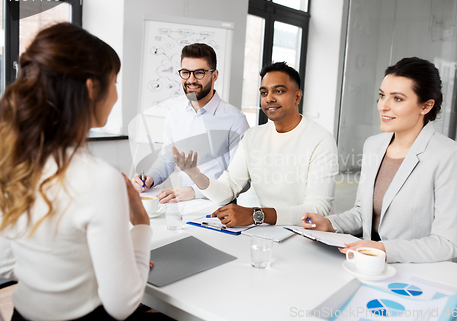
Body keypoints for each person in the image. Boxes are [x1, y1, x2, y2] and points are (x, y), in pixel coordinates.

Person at [0, 23, 155, 320]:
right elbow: (122, 305)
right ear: (90, 87)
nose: (116, 95)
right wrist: (142, 224)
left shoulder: (14, 160)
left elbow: (6, 261)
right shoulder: (98, 178)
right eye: (115, 82)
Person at [302, 57, 457, 264]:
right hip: (365, 262)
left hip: (413, 270)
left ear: (426, 106)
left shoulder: (450, 156)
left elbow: (446, 243)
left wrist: (383, 249)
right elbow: (362, 214)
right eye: (382, 96)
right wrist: (330, 224)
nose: (383, 106)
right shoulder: (373, 145)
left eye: (397, 99)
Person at [173, 62, 338, 226]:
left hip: (310, 233)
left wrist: (257, 215)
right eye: (264, 92)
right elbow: (226, 190)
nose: (269, 98)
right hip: (270, 232)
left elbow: (318, 209)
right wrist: (195, 174)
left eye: (279, 91)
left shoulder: (320, 139)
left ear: (297, 96)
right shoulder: (253, 137)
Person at [133, 43, 249, 203]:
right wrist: (149, 178)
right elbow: (167, 160)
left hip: (219, 210)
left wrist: (195, 191)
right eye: (185, 73)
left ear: (214, 75)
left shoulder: (235, 120)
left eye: (199, 73)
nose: (191, 80)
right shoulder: (175, 114)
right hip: (182, 206)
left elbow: (243, 180)